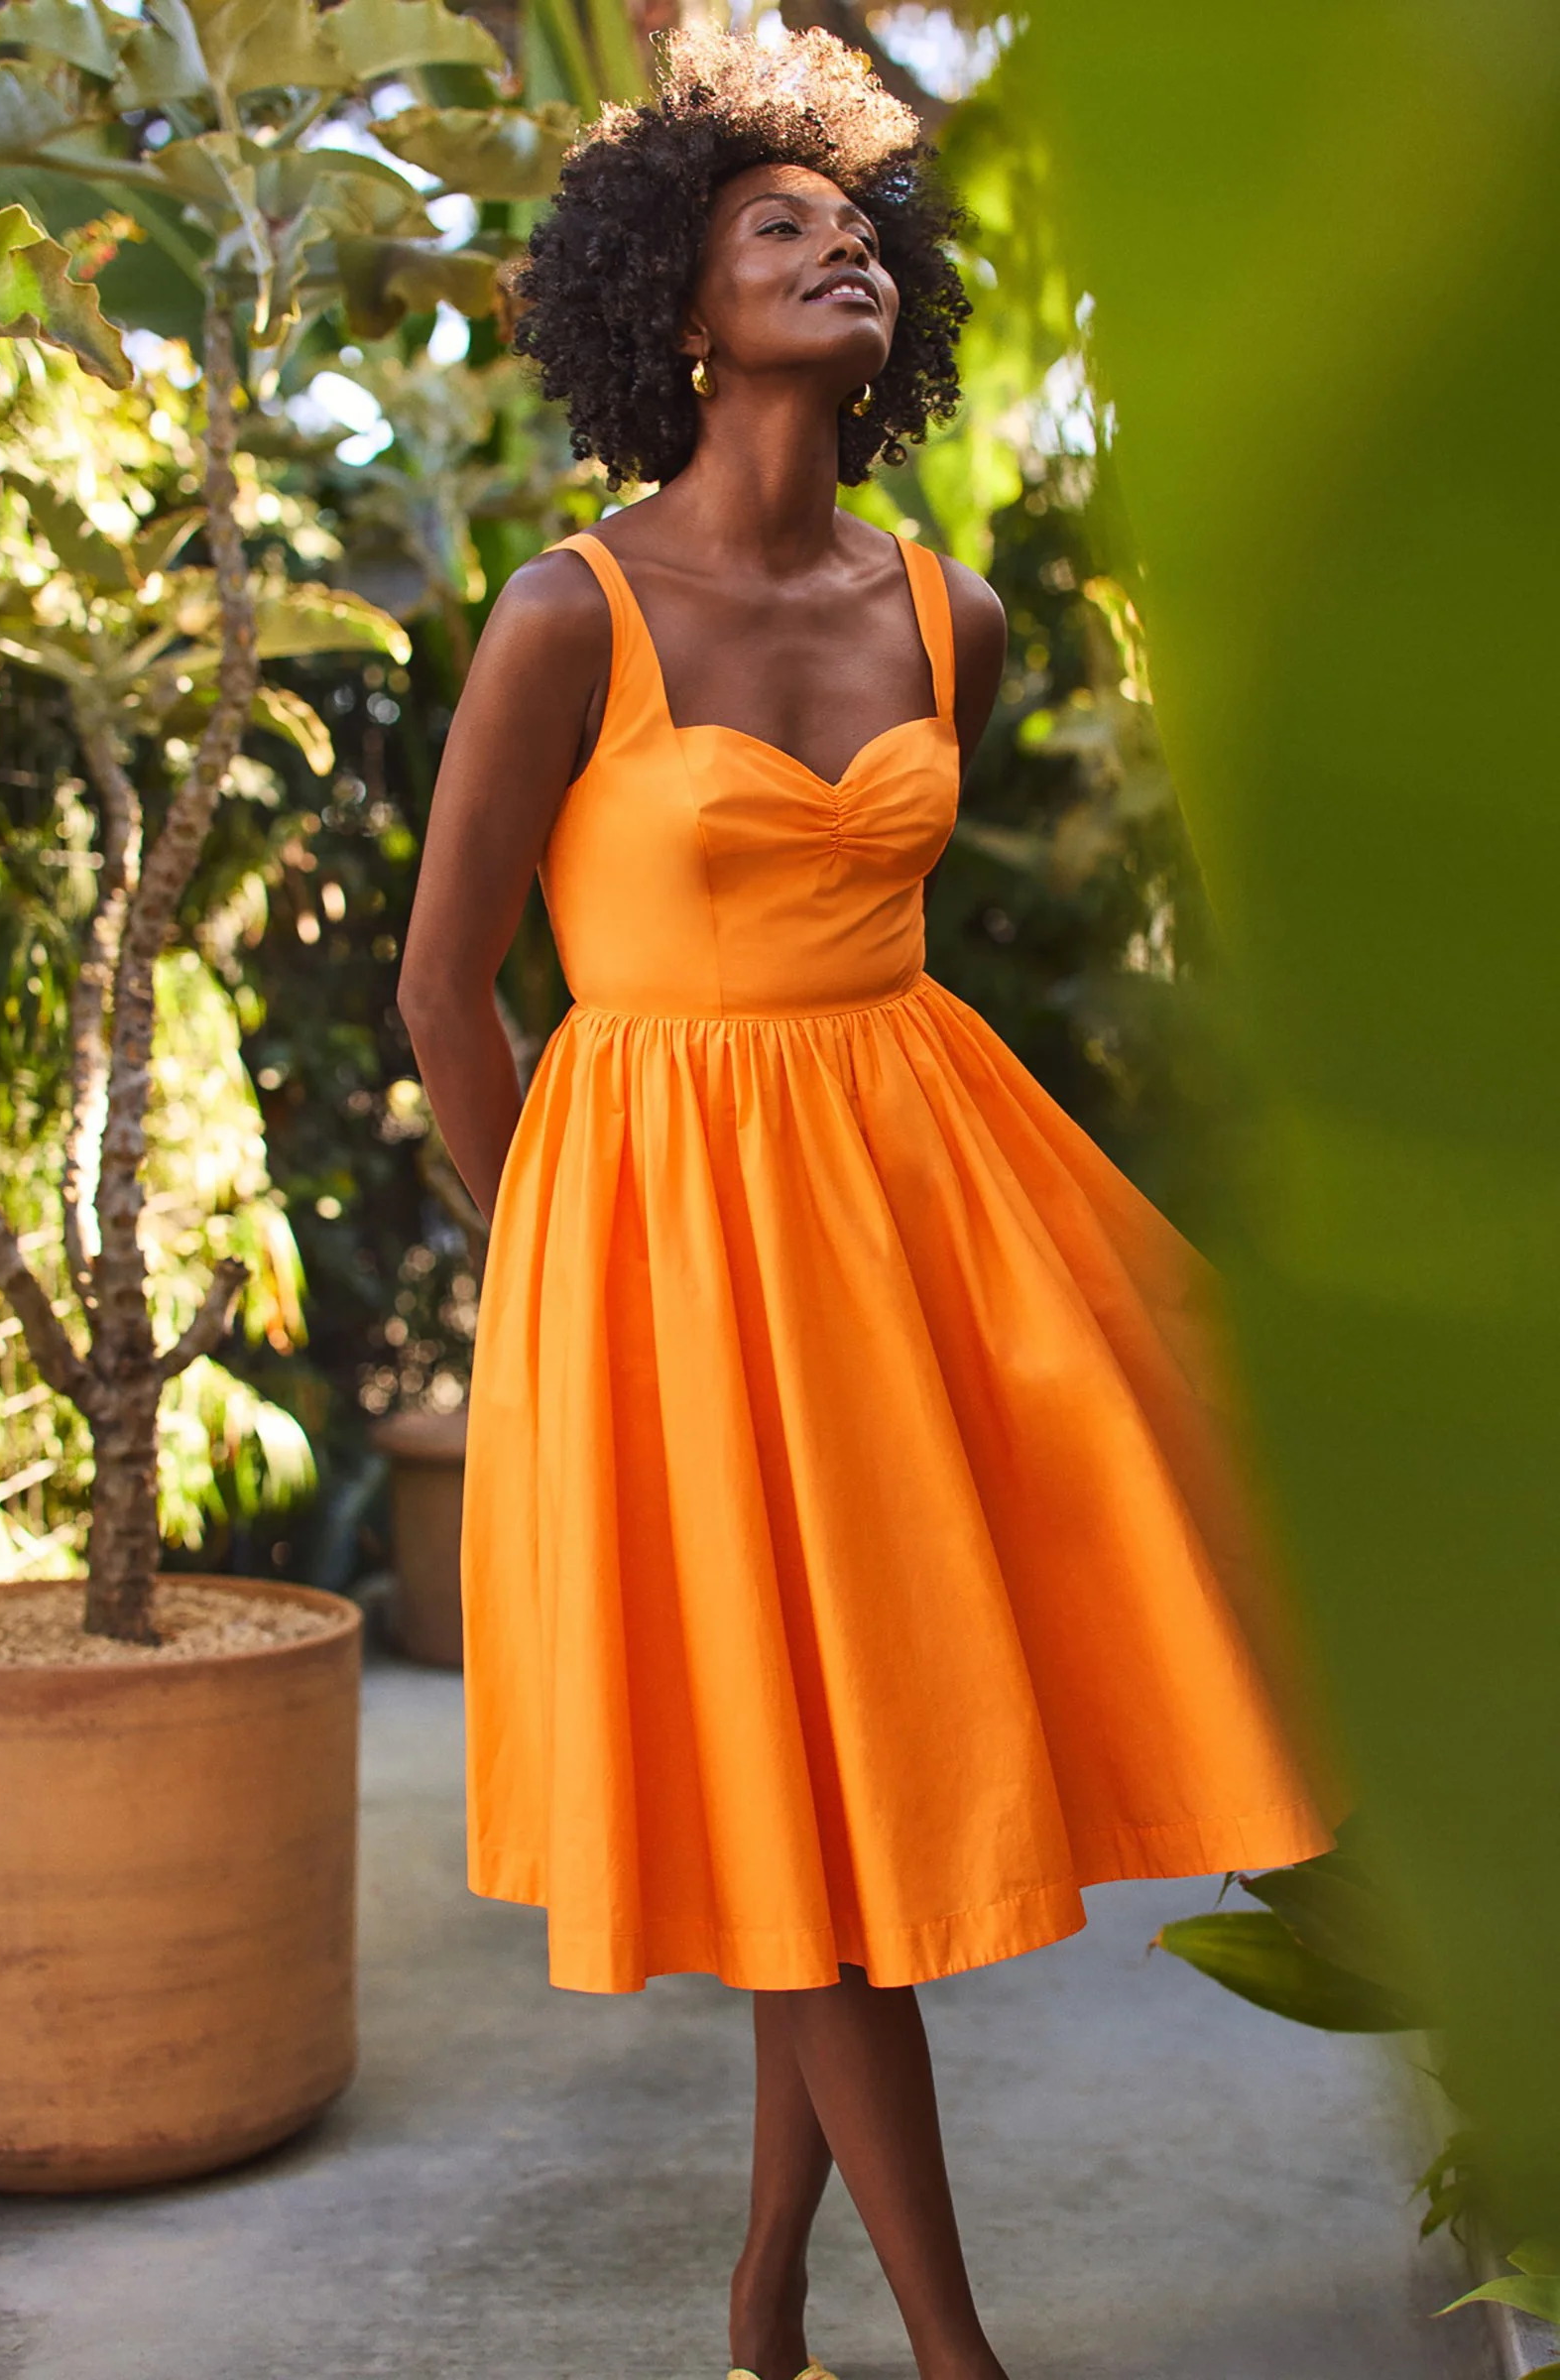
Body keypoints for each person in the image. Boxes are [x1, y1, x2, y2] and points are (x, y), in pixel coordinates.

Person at [399, 29, 1333, 2380]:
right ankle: (944, 2351)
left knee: (836, 1779)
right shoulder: (564, 618)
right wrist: (559, 1268)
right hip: (663, 1234)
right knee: (803, 1822)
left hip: (917, 1205)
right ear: (677, 310)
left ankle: (760, 2304)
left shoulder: (950, 617)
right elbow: (442, 988)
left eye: (856, 232)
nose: (842, 256)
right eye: (776, 229)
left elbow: (864, 932)